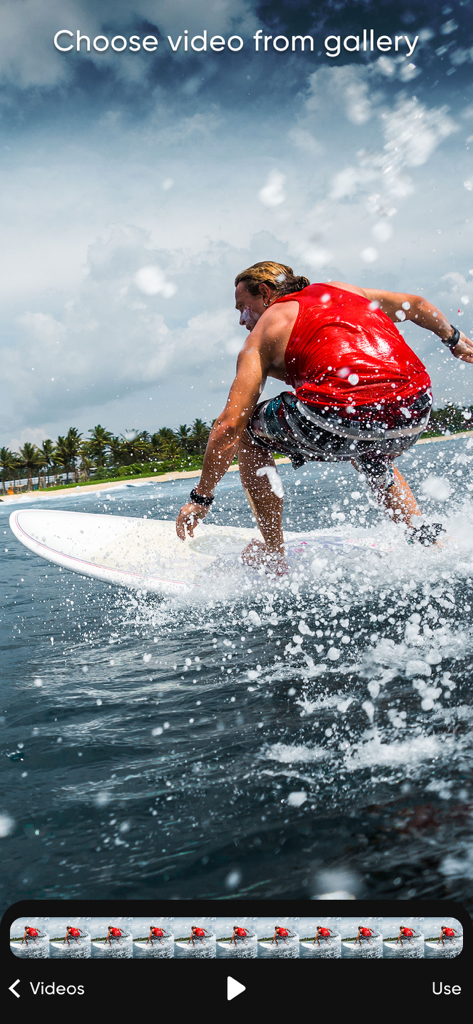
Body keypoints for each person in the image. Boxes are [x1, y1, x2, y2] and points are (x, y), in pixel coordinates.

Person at [176, 262, 473, 572]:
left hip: (341, 416)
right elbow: (417, 305)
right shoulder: (344, 290)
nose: (241, 319)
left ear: (265, 293)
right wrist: (453, 340)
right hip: (416, 406)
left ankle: (274, 556)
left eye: (242, 306)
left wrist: (202, 499)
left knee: (249, 432)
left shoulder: (263, 333)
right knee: (367, 444)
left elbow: (228, 426)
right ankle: (423, 537)